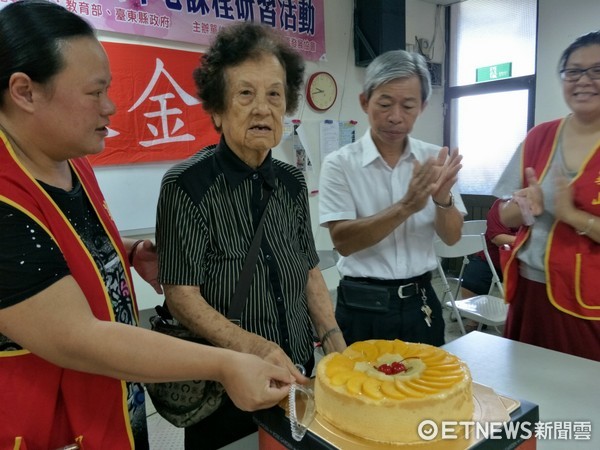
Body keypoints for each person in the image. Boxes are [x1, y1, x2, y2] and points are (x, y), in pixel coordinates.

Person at [0, 2, 297, 449]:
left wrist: (120, 254)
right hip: (47, 424)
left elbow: (56, 247)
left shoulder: (70, 162)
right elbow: (78, 338)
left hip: (113, 406)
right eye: (94, 92)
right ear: (25, 91)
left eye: (274, 95)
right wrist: (225, 362)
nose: (111, 106)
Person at [155, 22, 346, 449]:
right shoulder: (187, 185)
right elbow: (181, 294)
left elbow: (309, 269)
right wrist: (254, 349)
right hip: (227, 386)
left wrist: (334, 340)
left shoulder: (293, 183)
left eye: (274, 94)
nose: (263, 108)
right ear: (217, 110)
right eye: (246, 94)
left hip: (299, 374)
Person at [318, 49, 466, 347]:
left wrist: (442, 200)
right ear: (364, 101)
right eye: (384, 104)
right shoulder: (339, 163)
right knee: (362, 391)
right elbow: (343, 242)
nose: (395, 117)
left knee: (428, 389)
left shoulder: (433, 158)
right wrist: (405, 207)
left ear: (422, 106)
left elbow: (452, 238)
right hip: (362, 306)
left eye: (408, 106)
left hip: (421, 301)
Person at [494, 31, 600, 362]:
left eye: (597, 71)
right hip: (529, 289)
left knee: (583, 395)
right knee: (525, 386)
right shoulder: (540, 136)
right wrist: (522, 208)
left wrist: (572, 215)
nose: (584, 81)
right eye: (574, 71)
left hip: (590, 300)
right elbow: (502, 214)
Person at [460, 198, 518, 299]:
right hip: (492, 260)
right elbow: (497, 238)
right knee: (472, 281)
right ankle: (467, 314)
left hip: (525, 263)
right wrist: (526, 240)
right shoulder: (502, 204)